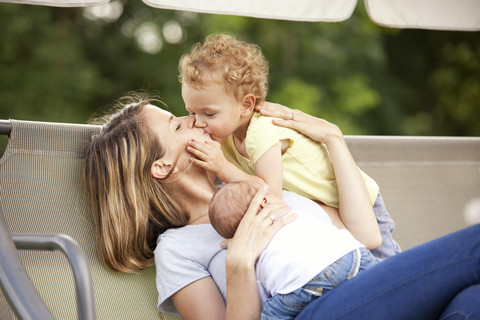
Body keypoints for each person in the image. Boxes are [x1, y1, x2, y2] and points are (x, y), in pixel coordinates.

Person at [83, 95, 480, 320]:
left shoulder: (260, 180)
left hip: (366, 286)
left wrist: (333, 139)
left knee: (471, 303)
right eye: (176, 125)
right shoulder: (178, 248)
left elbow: (364, 238)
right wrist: (240, 262)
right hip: (317, 312)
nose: (193, 119)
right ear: (161, 166)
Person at [179, 34, 400, 260]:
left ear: (246, 105)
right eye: (191, 112)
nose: (198, 121)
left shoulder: (261, 130)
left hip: (361, 202)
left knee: (388, 269)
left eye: (209, 113)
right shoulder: (225, 135)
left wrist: (222, 167)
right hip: (328, 210)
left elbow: (270, 193)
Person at [209, 180, 378, 319]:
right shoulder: (296, 214)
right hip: (352, 256)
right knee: (376, 272)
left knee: (270, 313)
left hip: (302, 285)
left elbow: (260, 296)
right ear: (265, 202)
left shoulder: (252, 255)